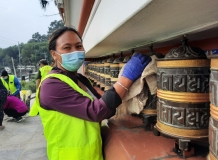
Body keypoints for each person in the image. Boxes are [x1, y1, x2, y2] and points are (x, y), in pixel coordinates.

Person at [29, 27, 151, 160]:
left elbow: (104, 104)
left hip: (92, 153)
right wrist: (126, 78)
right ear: (54, 54)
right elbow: (96, 111)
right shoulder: (51, 86)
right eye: (67, 48)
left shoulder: (80, 79)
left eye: (78, 46)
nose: (75, 51)